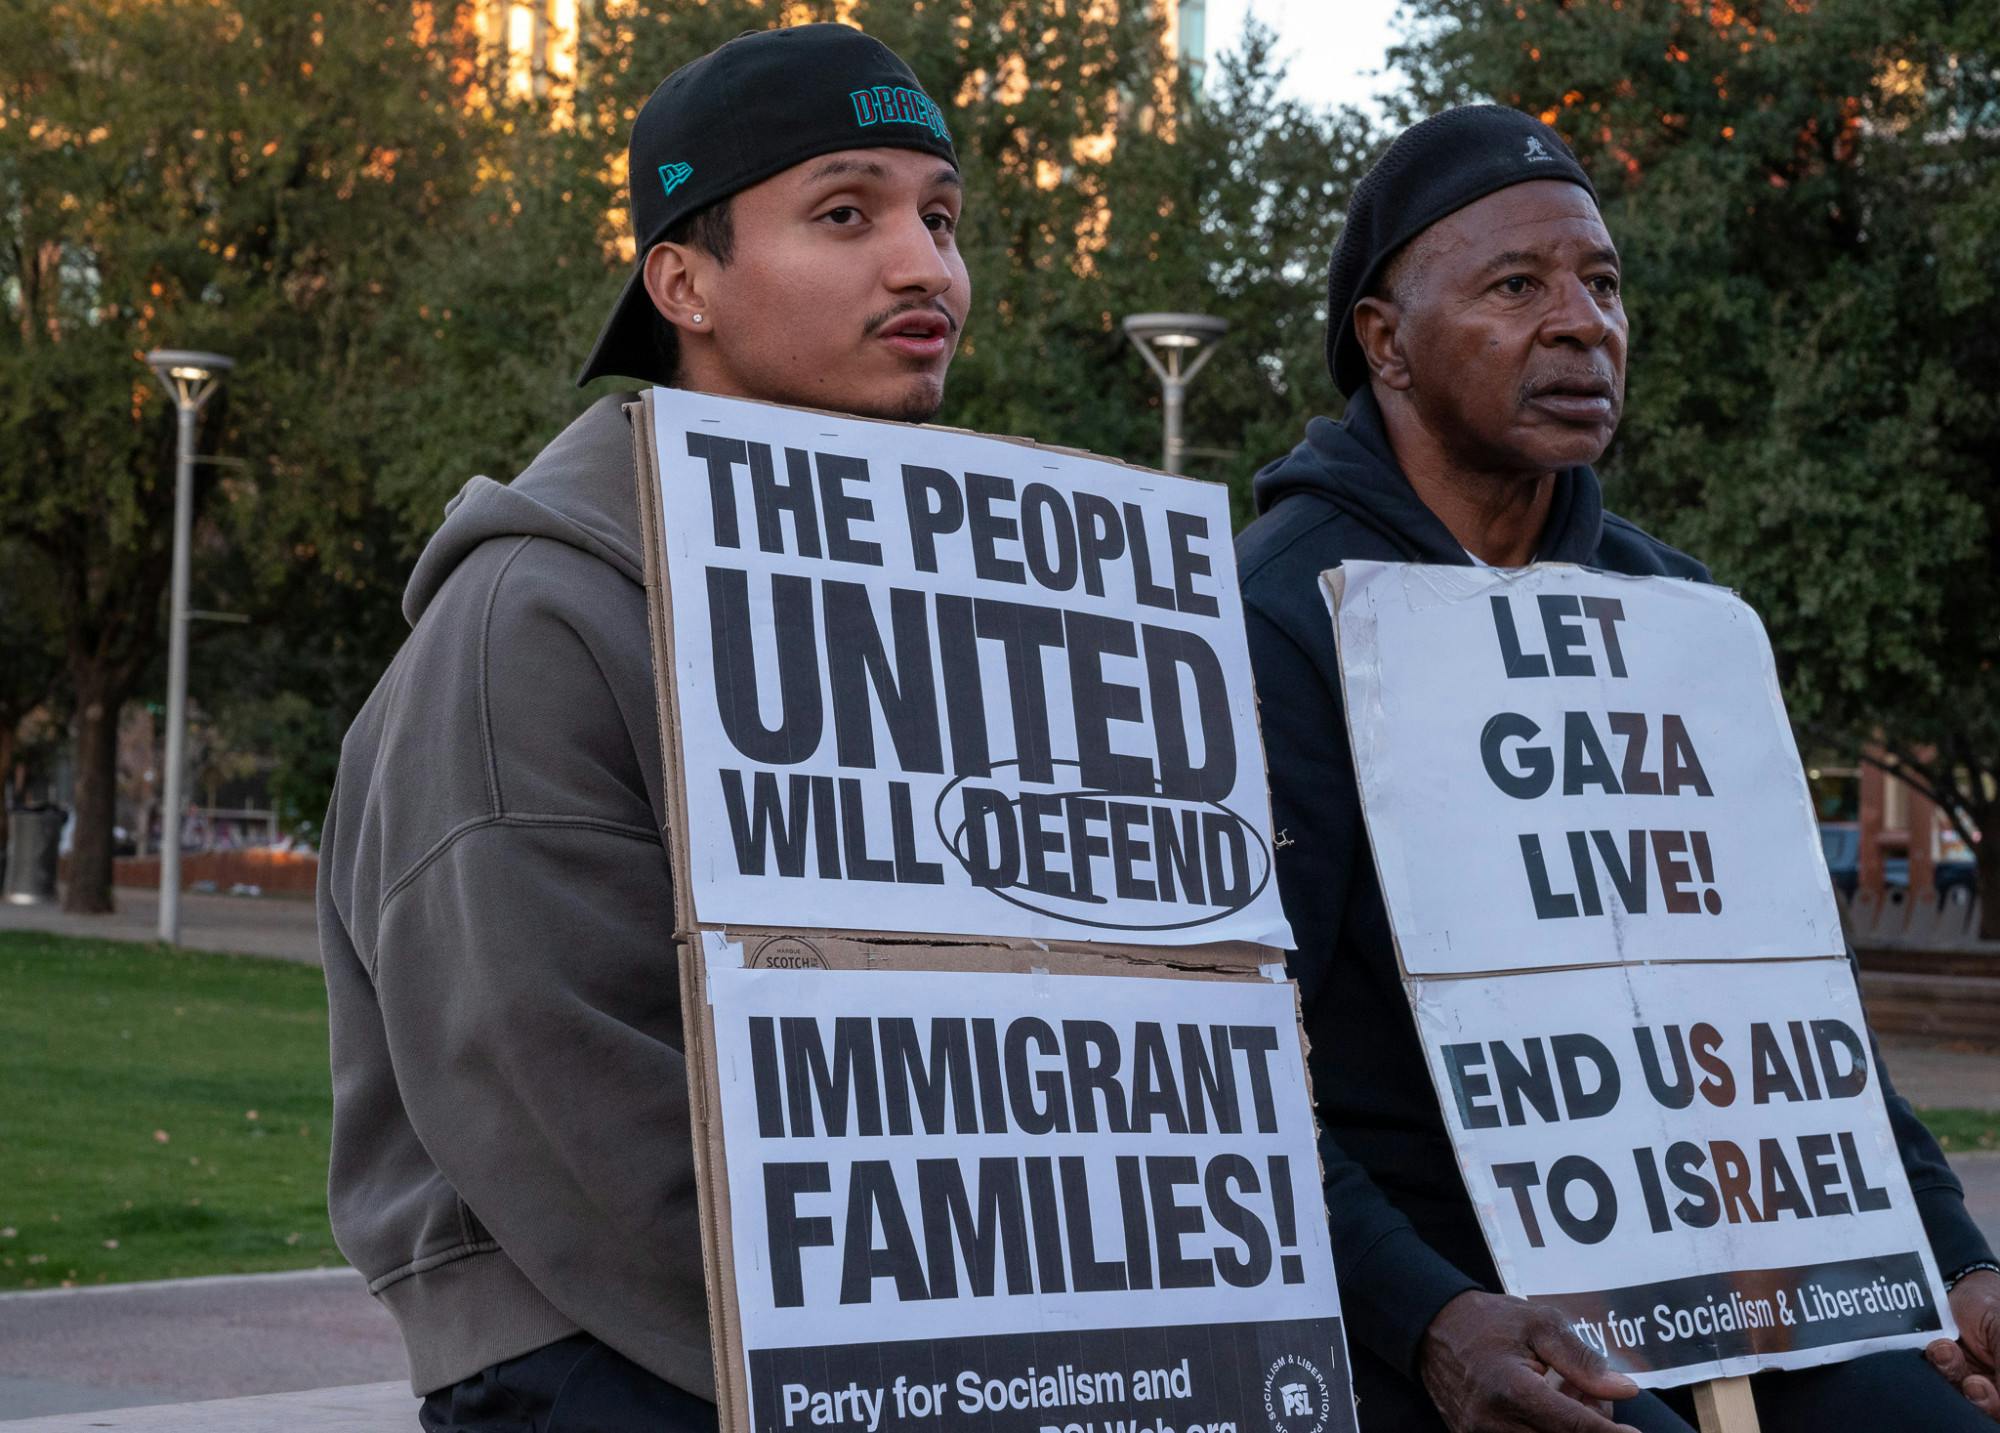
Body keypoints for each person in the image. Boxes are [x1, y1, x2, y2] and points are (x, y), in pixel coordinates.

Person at [1235, 105, 2000, 1433]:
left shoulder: (1676, 608)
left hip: (1741, 1290)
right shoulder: (1282, 618)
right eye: (1517, 286)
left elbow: (1794, 1021)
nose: (1585, 321)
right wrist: (1426, 1316)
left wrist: (1958, 1254)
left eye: (1603, 281)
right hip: (1455, 1302)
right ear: (1385, 342)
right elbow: (1230, 1067)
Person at [315, 25, 968, 1430]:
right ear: (684, 281)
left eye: (940, 215)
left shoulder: (940, 609)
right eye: (846, 213)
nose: (924, 265)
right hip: (608, 1362)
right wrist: (903, 1357)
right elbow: (552, 1084)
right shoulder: (527, 621)